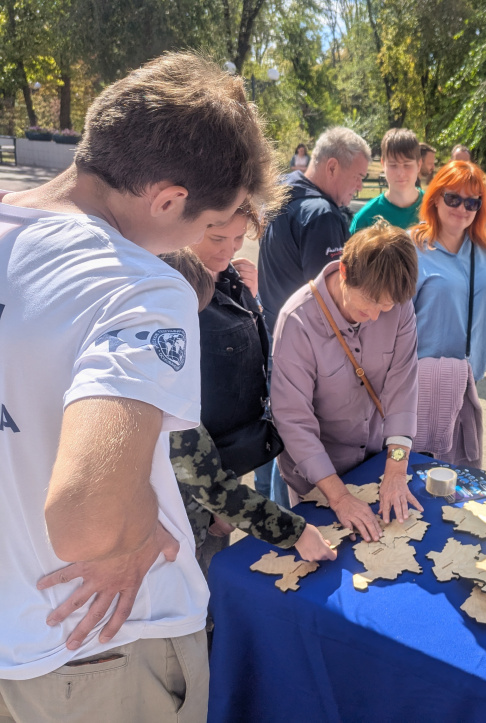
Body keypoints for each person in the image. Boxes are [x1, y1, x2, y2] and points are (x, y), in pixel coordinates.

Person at [0, 52, 276, 722]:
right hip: (104, 646)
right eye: (213, 222)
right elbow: (86, 515)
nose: (214, 240)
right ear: (168, 200)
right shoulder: (141, 286)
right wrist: (141, 536)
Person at [161, 218, 336, 575]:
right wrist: (295, 533)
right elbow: (202, 476)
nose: (229, 249)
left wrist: (249, 300)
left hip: (213, 488)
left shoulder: (215, 282)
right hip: (170, 519)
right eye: (218, 237)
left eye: (240, 238)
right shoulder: (163, 365)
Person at [271, 220, 421, 542]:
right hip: (317, 479)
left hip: (372, 462)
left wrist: (396, 468)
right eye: (369, 301)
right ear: (343, 272)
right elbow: (293, 421)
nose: (377, 315)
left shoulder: (398, 306)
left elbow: (401, 389)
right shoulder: (297, 322)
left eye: (387, 306)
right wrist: (338, 497)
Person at [409, 161, 486, 465]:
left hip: (467, 376)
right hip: (420, 378)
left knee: (458, 464)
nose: (462, 208)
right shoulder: (411, 247)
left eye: (472, 202)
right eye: (453, 198)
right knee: (420, 462)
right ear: (435, 198)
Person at [259, 126, 372, 331]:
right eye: (358, 176)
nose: (360, 187)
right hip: (306, 345)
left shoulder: (282, 190)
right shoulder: (322, 216)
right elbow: (333, 302)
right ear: (332, 168)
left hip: (273, 330)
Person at [350, 128, 422, 234]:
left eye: (407, 165)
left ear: (419, 165)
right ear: (383, 164)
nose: (400, 173)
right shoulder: (366, 218)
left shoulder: (435, 208)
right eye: (393, 165)